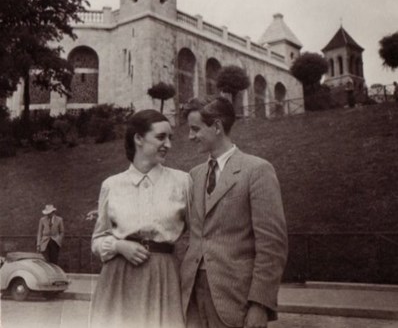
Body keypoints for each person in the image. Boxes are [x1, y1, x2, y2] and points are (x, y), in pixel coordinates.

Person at [180, 96, 288, 328]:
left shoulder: (257, 170)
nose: (190, 136)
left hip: (235, 299)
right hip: (191, 299)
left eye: (195, 129)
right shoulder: (194, 175)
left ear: (217, 126)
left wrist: (260, 304)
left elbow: (272, 245)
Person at [90, 109, 191, 328]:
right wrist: (118, 245)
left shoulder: (182, 182)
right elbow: (97, 240)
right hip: (118, 280)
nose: (168, 145)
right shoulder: (112, 185)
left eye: (170, 138)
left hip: (163, 278)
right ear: (138, 138)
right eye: (161, 137)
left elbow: (197, 235)